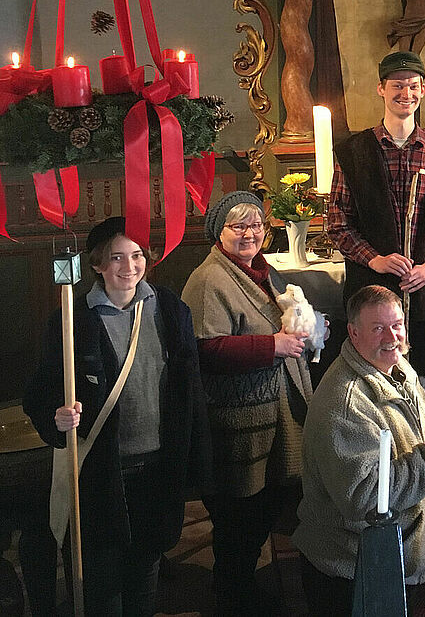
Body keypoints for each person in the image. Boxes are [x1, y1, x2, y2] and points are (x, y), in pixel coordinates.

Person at [25, 217, 211, 615]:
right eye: (116, 257)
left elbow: (189, 389)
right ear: (96, 264)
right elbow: (41, 391)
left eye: (137, 255)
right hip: (101, 471)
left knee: (146, 568)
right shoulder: (73, 319)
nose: (129, 267)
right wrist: (56, 418)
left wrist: (197, 458)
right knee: (102, 579)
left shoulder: (171, 309)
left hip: (158, 467)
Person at [293, 285, 425, 613]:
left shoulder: (397, 367)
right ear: (353, 333)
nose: (392, 336)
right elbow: (368, 497)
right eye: (378, 328)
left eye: (397, 324)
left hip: (392, 562)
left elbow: (420, 422)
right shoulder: (347, 404)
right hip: (353, 571)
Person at [181, 192, 314, 612]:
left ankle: (240, 581)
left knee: (264, 503)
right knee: (238, 510)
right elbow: (205, 348)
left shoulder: (261, 271)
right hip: (236, 418)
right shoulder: (210, 279)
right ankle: (232, 591)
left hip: (269, 410)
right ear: (219, 232)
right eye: (238, 226)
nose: (250, 233)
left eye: (256, 225)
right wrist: (271, 345)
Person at [327, 50, 425, 379]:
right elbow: (337, 222)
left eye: (412, 86)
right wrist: (375, 259)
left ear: (422, 90)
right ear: (381, 89)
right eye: (397, 86)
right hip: (371, 294)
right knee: (372, 380)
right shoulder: (354, 152)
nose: (405, 94)